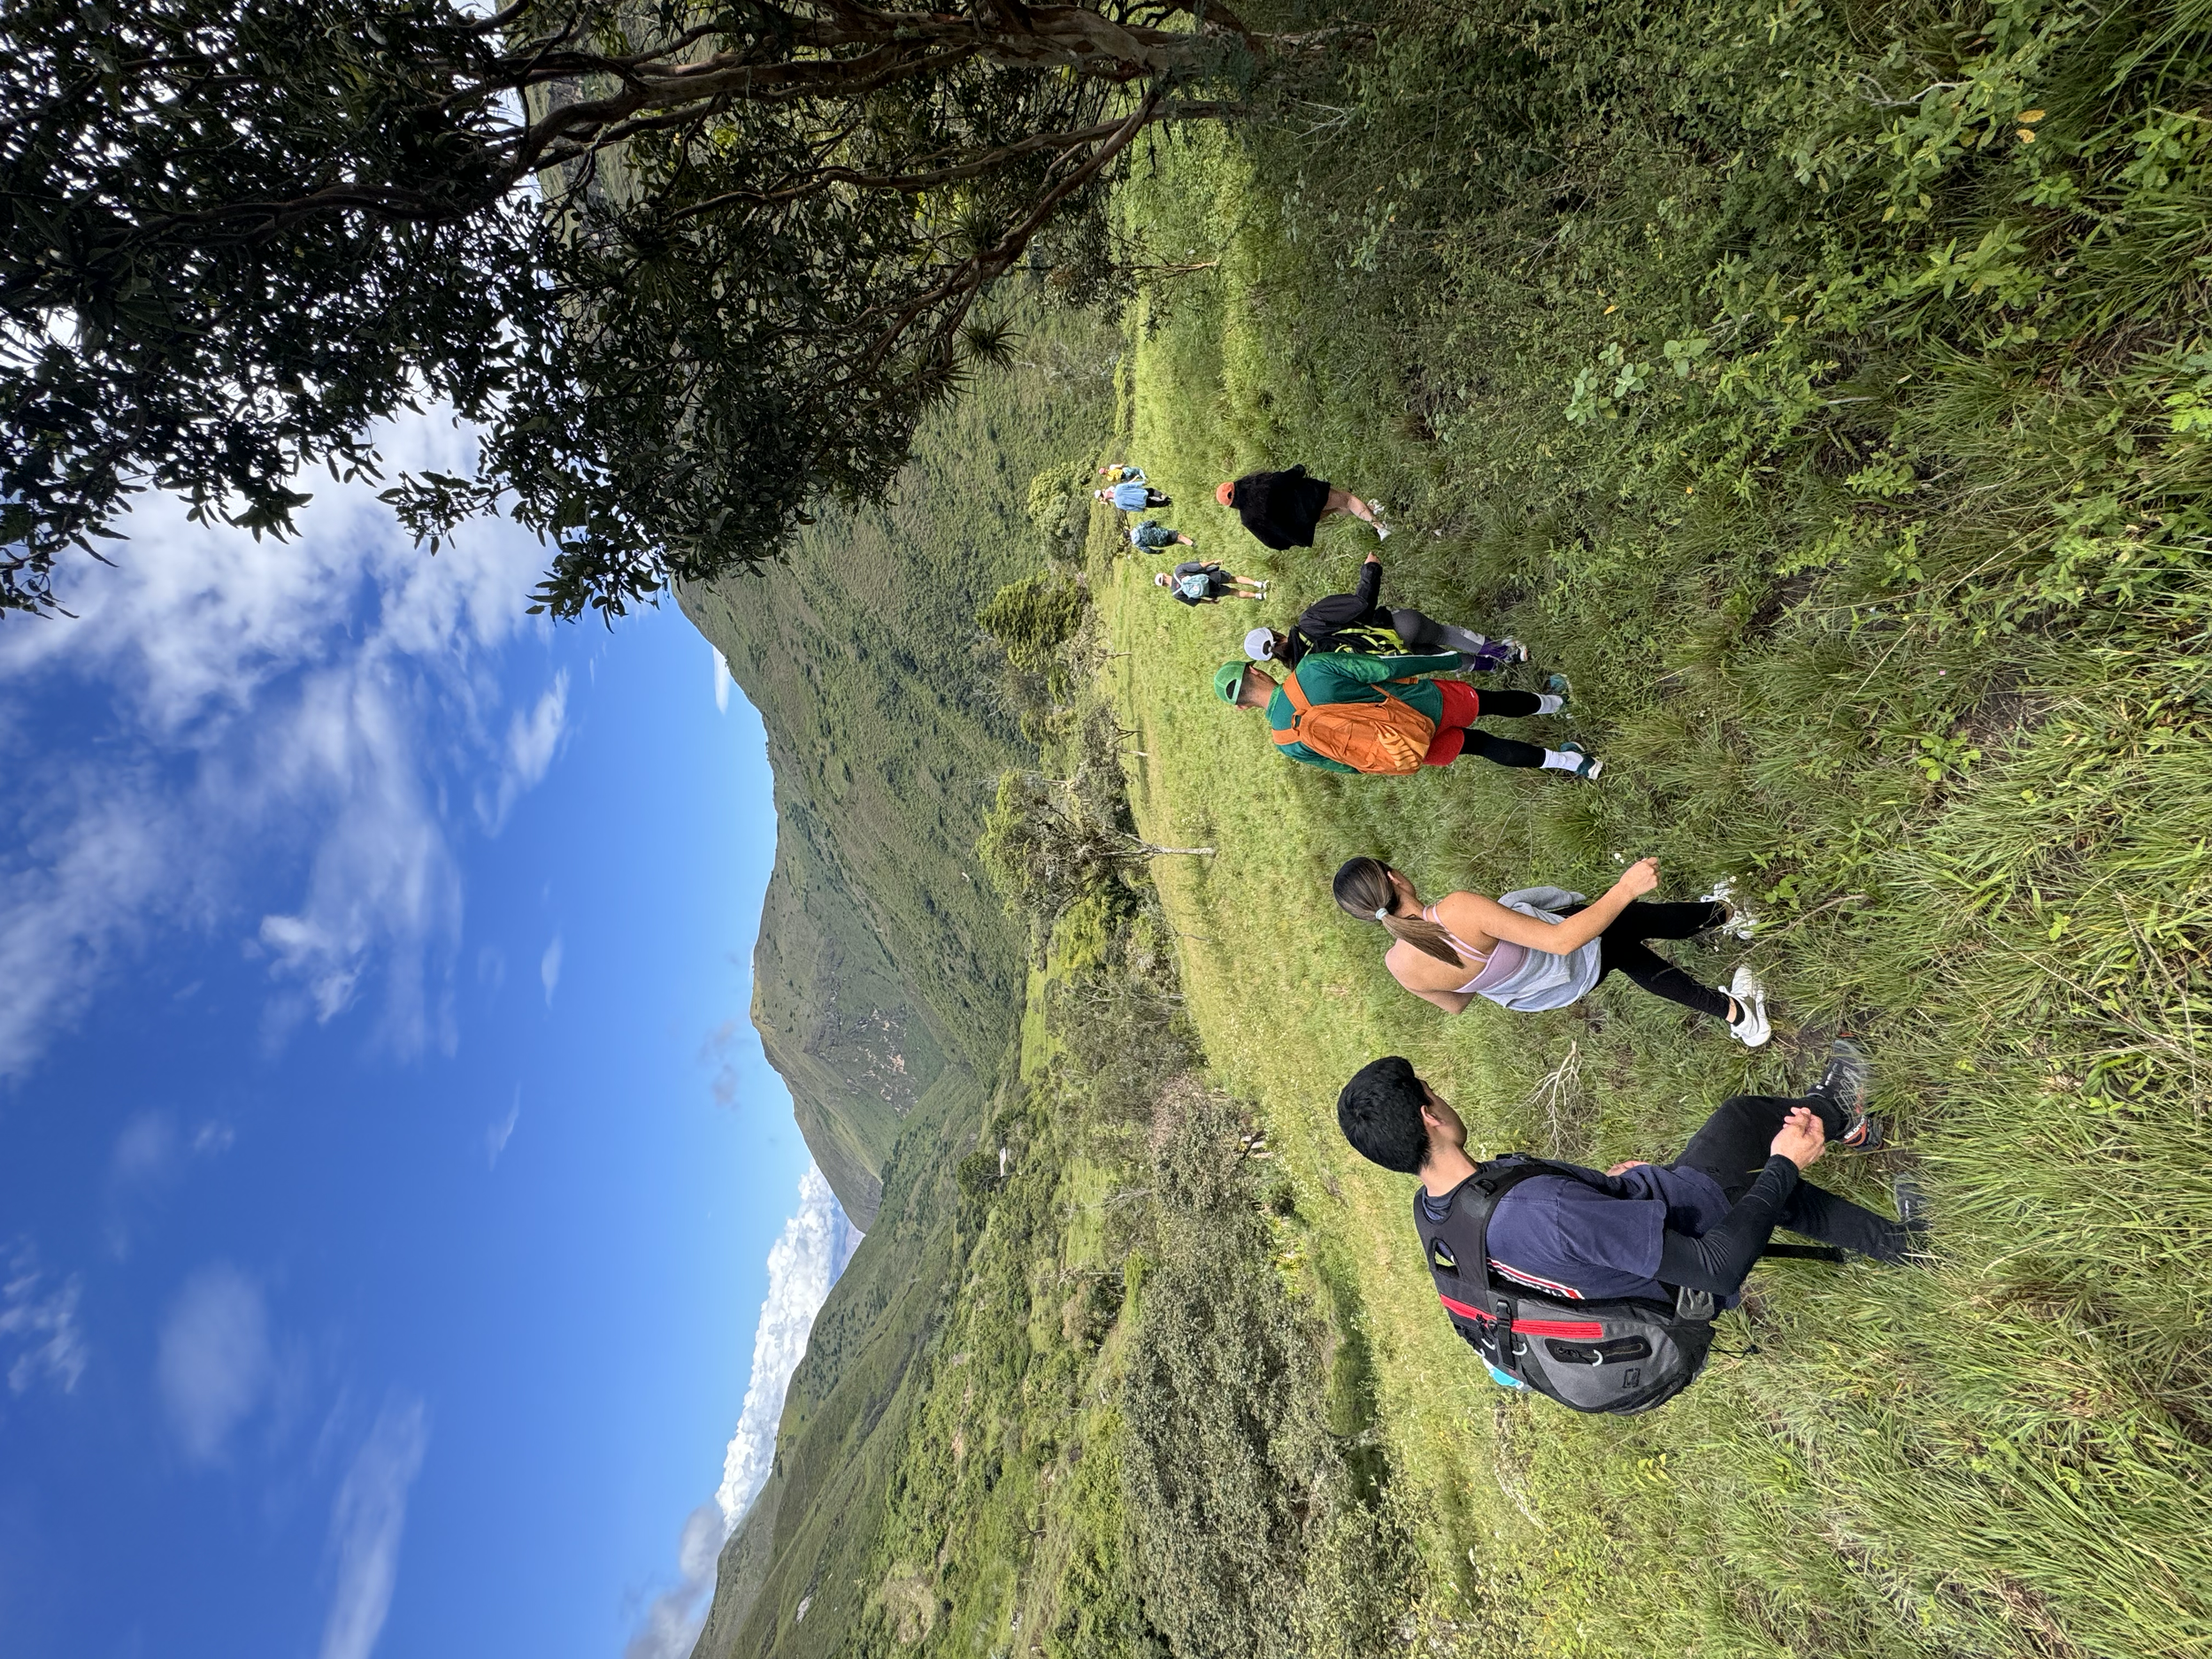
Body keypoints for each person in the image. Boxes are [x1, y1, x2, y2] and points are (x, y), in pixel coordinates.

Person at [1334, 1046, 1921, 1331]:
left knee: (1760, 1186)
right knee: (1746, 1128)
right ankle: (1841, 1108)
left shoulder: (1438, 1216)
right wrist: (1784, 1162)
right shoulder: (1543, 1211)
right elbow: (1716, 1267)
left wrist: (1610, 1196)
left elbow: (1562, 1243)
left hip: (1633, 1260)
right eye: (1432, 1091)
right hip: (1689, 1261)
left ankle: (1906, 1246)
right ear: (1430, 1116)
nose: (1441, 1097)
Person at [1329, 856, 1771, 1044]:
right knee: (1628, 921)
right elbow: (1564, 940)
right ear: (1394, 878)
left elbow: (1458, 1004)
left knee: (1626, 951)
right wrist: (1625, 887)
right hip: (1571, 953)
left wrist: (1496, 966)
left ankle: (1736, 1012)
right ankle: (1729, 916)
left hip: (1556, 989)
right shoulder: (1456, 910)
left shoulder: (1400, 966)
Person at [1212, 654, 1601, 779]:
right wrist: (1449, 659)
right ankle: (1558, 703)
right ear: (1259, 672)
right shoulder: (1310, 670)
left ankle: (1573, 763)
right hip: (1423, 703)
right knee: (1491, 703)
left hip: (1406, 749)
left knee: (1482, 745)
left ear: (1243, 707)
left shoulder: (1286, 744)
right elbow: (1383, 669)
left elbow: (1352, 767)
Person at [1251, 550, 1525, 672]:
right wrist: (1371, 568)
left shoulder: (1304, 672)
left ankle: (1491, 667)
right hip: (1396, 627)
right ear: (1275, 632)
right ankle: (1506, 653)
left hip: (1394, 663)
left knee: (1442, 657)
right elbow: (1361, 603)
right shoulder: (1309, 623)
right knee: (1444, 634)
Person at [1216, 465, 1387, 549]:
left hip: (1302, 522)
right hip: (1310, 498)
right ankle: (1380, 526)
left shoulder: (1247, 519)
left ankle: (1371, 509)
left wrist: (1290, 539)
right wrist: (1299, 469)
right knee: (1347, 500)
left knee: (1337, 509)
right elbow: (1287, 478)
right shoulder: (1259, 485)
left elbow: (1270, 542)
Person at [1156, 564, 1267, 606]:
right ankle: (1258, 584)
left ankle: (1258, 596)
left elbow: (1196, 600)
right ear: (1165, 575)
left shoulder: (1176, 594)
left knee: (1234, 592)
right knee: (1235, 579)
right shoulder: (1178, 570)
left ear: (1164, 585)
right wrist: (1213, 561)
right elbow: (1199, 566)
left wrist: (1210, 601)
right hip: (1211, 577)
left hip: (1210, 591)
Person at [1097, 480, 1171, 511]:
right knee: (1154, 494)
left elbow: (1131, 508)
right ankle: (1165, 498)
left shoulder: (1118, 504)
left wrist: (1141, 510)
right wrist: (1142, 483)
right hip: (1142, 494)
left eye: (1102, 495)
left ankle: (1167, 501)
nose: (1103, 495)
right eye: (1102, 495)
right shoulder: (1118, 488)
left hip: (1142, 500)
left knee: (1156, 501)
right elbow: (1131, 485)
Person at [1128, 520, 1194, 553]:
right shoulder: (1139, 527)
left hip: (1160, 543)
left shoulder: (1137, 544)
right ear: (1129, 531)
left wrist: (1158, 552)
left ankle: (1190, 542)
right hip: (1163, 533)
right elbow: (1152, 522)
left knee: (1175, 541)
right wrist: (1154, 524)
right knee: (1179, 537)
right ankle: (1194, 544)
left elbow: (1147, 550)